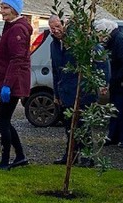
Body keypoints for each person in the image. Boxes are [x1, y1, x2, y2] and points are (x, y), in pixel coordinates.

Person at [49, 14, 108, 166]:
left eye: (57, 26)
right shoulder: (54, 45)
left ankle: (88, 157)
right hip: (65, 91)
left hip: (83, 90)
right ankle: (70, 156)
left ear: (65, 26)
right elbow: (56, 71)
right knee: (69, 126)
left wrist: (102, 83)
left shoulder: (81, 42)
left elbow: (101, 59)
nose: (55, 30)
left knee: (84, 125)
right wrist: (56, 93)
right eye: (52, 28)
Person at [0, 0, 31, 170]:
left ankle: (6, 161)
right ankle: (19, 156)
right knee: (4, 120)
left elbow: (17, 59)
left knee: (3, 121)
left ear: (14, 9)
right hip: (8, 80)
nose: (2, 11)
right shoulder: (10, 27)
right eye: (1, 7)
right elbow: (2, 60)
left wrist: (6, 85)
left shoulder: (18, 29)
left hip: (14, 82)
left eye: (5, 8)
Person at [94, 18, 123, 148]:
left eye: (99, 33)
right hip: (117, 81)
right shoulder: (112, 41)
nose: (98, 36)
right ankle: (113, 136)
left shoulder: (120, 41)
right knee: (114, 109)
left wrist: (118, 79)